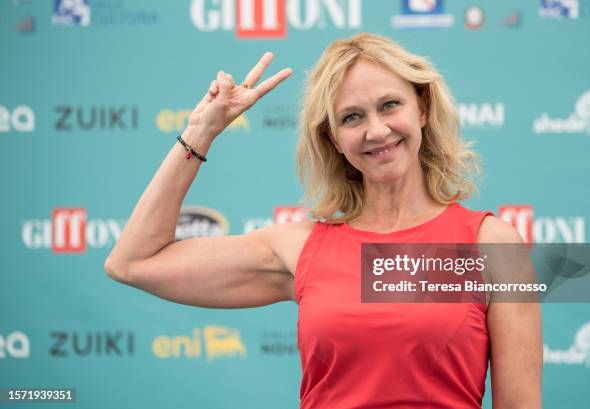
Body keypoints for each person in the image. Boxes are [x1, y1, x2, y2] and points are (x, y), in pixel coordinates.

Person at [105, 33, 542, 408]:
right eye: (352, 117)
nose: (376, 131)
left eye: (390, 105)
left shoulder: (491, 246)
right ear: (333, 139)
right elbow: (134, 262)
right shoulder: (300, 248)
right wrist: (201, 131)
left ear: (422, 109)